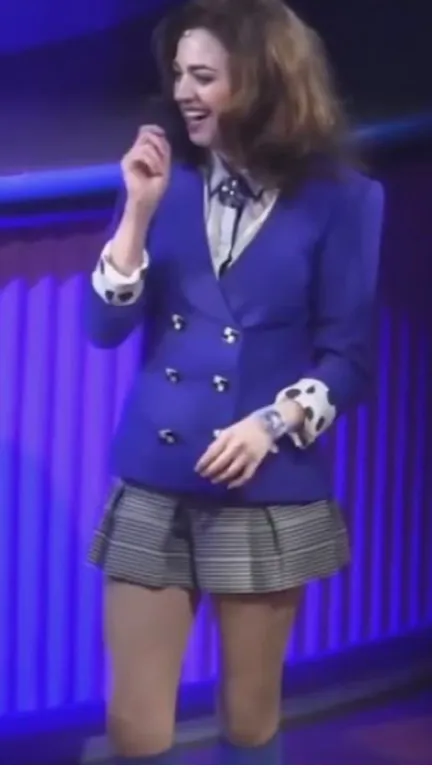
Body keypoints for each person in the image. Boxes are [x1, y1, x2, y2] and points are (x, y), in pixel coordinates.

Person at [86, 0, 384, 763]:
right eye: (178, 74)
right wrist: (136, 216)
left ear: (260, 81)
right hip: (157, 479)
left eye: (203, 76)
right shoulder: (160, 182)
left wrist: (271, 425)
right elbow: (103, 328)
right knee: (135, 727)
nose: (182, 92)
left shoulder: (345, 200)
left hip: (265, 486)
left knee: (250, 722)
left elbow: (347, 360)